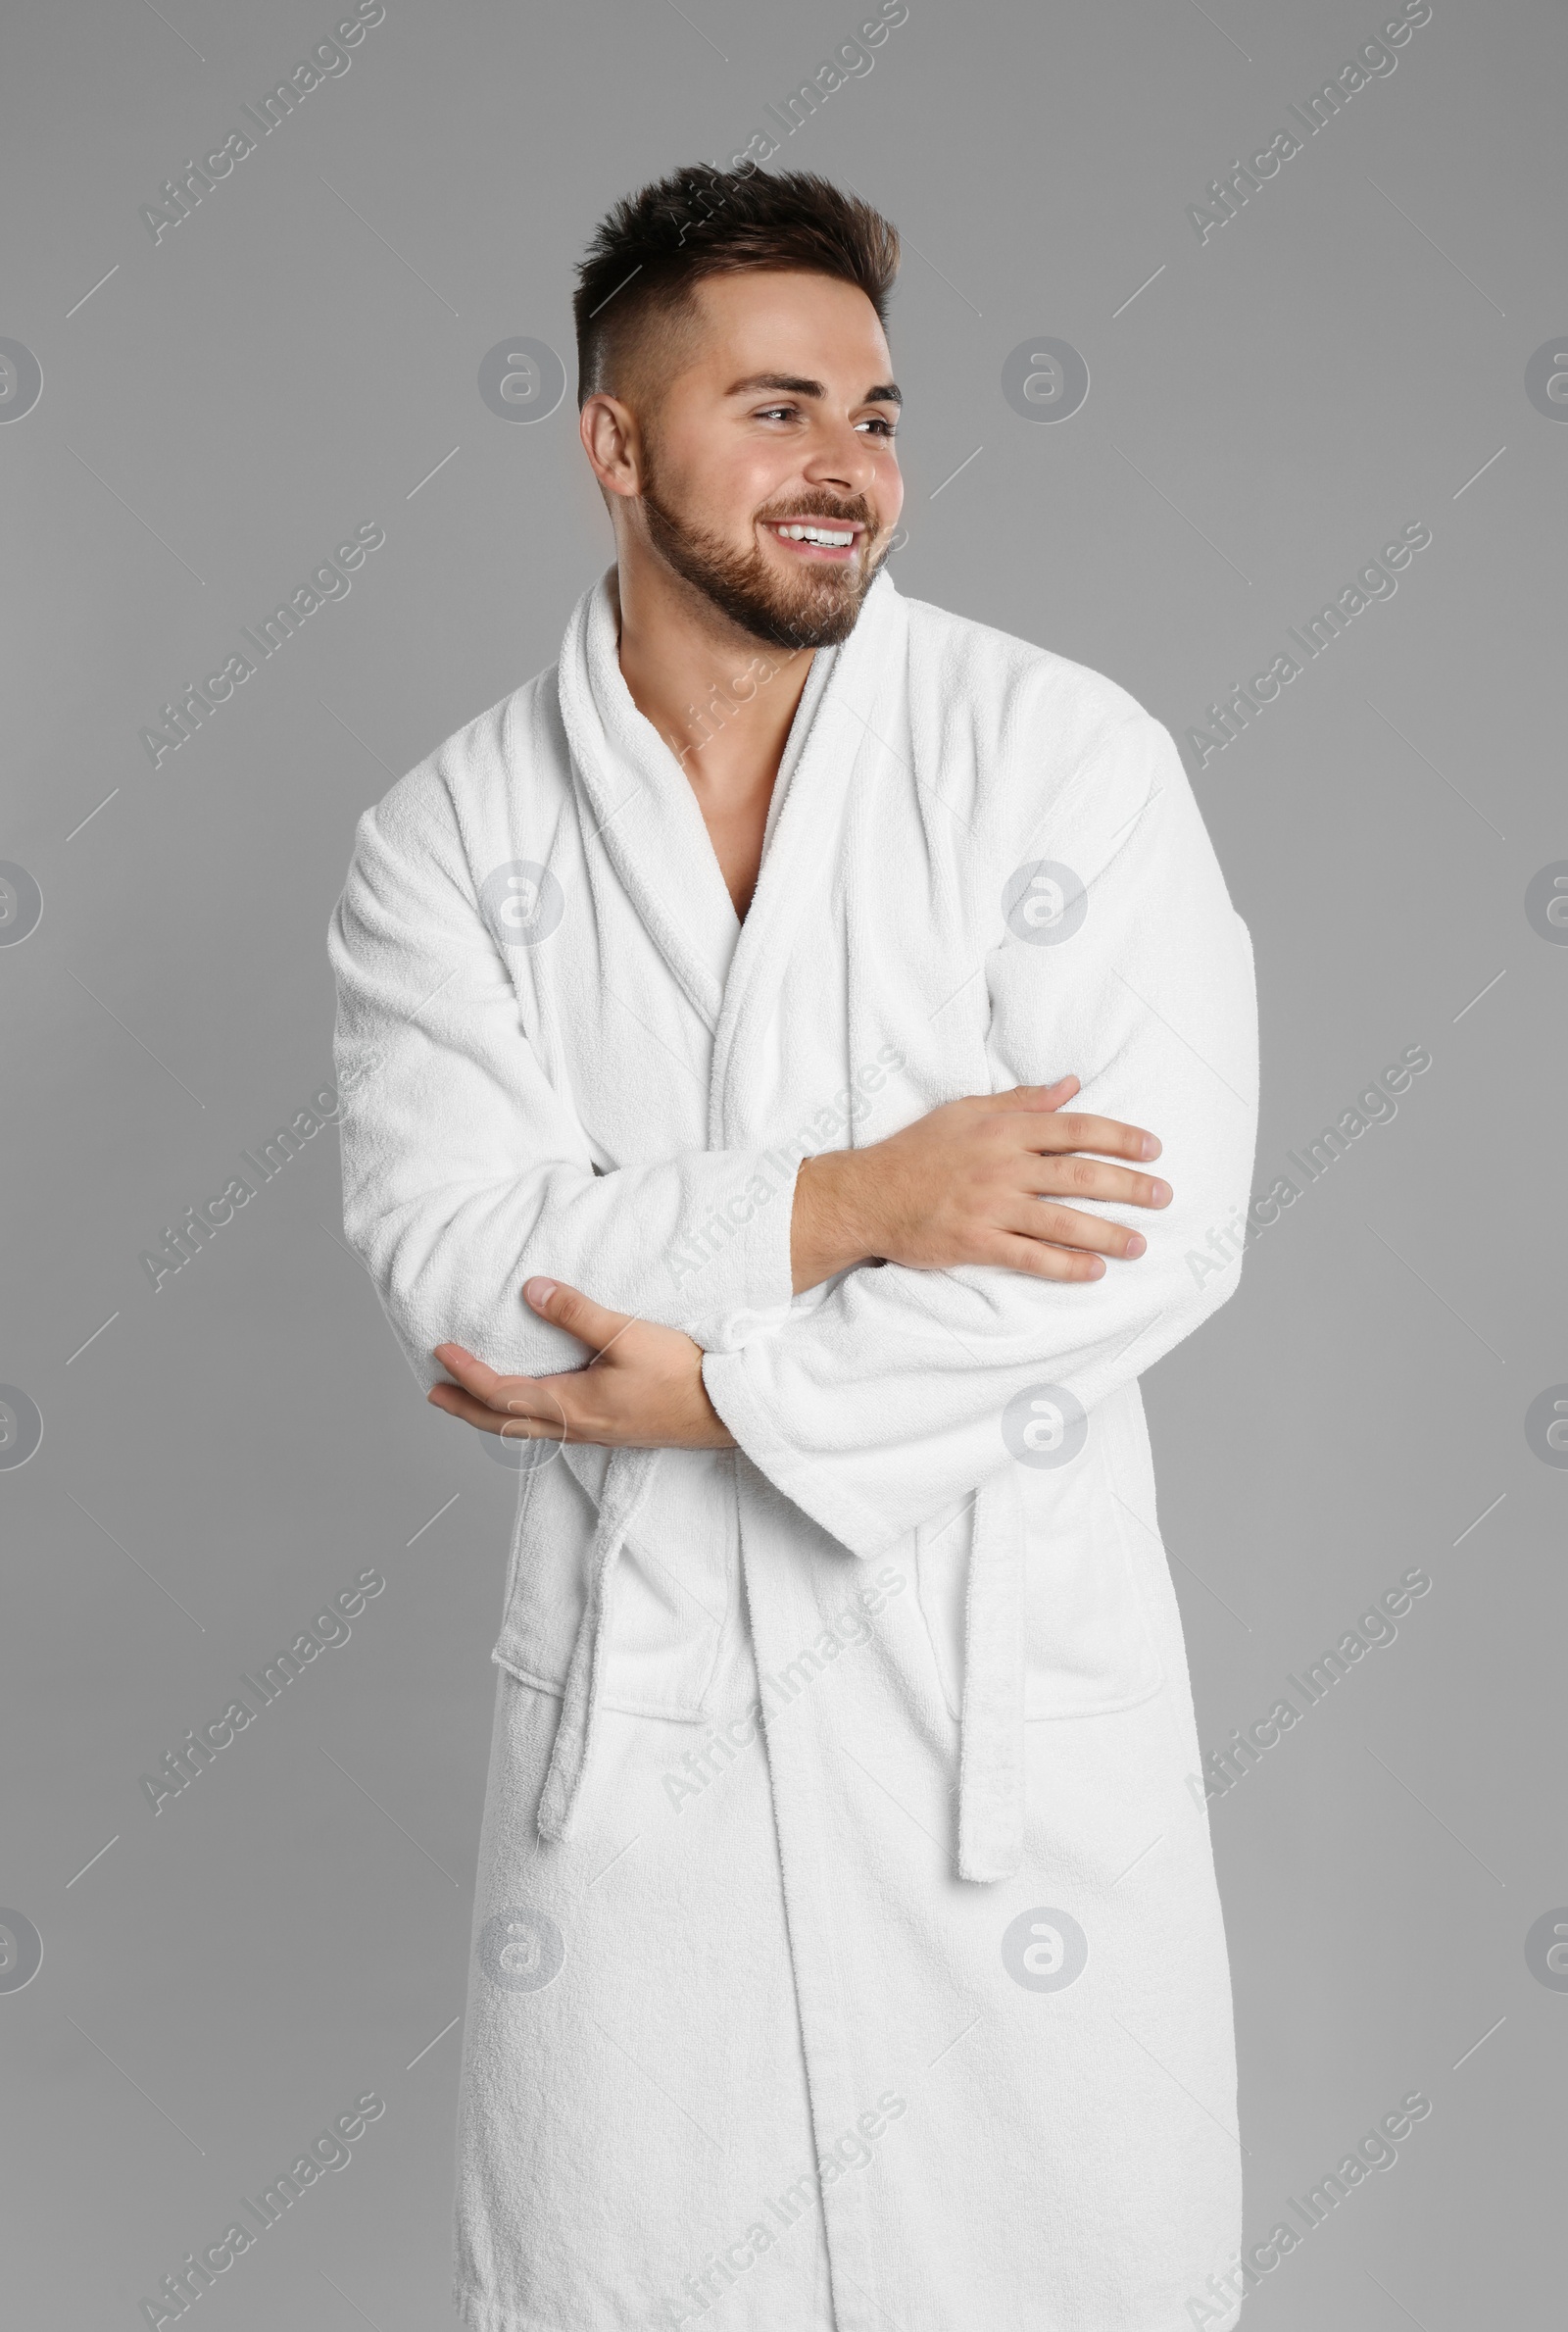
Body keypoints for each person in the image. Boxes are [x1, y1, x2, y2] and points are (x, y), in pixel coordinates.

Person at [329, 163, 1259, 2332]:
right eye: (771, 408)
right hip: (638, 1769)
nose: (846, 464)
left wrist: (725, 1391)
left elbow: (1143, 1224)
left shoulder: (1058, 760)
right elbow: (465, 1265)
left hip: (996, 1747)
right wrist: (859, 1197)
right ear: (613, 442)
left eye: (873, 410)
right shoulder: (450, 839)